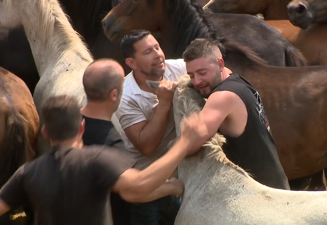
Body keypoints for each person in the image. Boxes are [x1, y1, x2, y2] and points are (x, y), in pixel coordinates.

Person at [0, 95, 207, 225]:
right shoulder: (97, 159)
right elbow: (140, 186)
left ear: (45, 133)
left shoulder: (27, 172)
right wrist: (184, 143)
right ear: (82, 127)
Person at [182, 38, 290, 190]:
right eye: (191, 75)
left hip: (259, 195)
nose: (197, 81)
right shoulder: (236, 81)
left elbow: (189, 145)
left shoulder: (222, 96)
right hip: (276, 184)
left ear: (220, 64)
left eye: (202, 73)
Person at [117, 30, 187, 224]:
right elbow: (146, 147)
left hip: (183, 179)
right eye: (148, 52)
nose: (158, 54)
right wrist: (164, 104)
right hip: (149, 187)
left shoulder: (178, 68)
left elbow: (221, 70)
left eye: (157, 47)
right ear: (131, 63)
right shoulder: (126, 96)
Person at [80, 58, 131, 225]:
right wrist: (172, 186)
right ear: (114, 94)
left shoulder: (66, 122)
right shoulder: (113, 144)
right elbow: (133, 190)